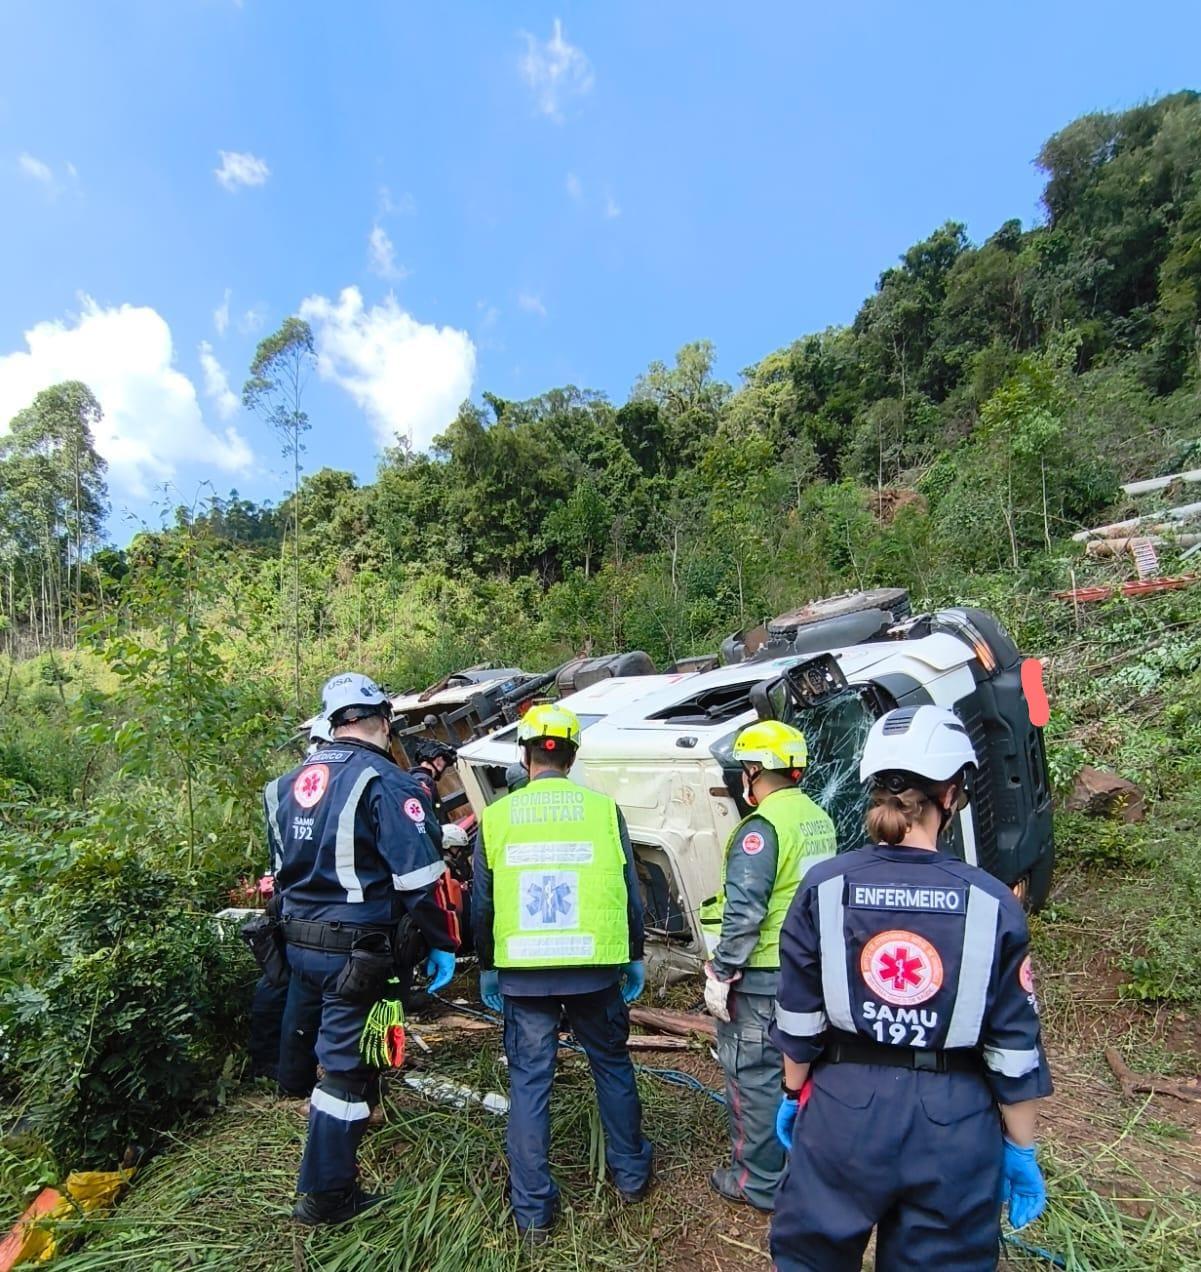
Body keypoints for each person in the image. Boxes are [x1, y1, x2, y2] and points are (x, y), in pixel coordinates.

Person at [770, 705, 1052, 1270]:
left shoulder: (824, 886)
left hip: (842, 1109)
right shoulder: (992, 901)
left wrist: (792, 1093)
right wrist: (1020, 1148)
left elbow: (799, 1017)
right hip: (954, 1123)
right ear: (951, 794)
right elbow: (1013, 1047)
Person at [269, 671, 460, 1225]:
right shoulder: (385, 780)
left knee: (350, 1038)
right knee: (343, 1068)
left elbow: (282, 872)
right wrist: (443, 941)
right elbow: (422, 880)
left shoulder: (287, 783)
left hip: (298, 942)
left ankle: (363, 1108)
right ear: (382, 720)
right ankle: (326, 1196)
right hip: (356, 950)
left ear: (333, 723)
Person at [471, 703, 653, 1244]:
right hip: (594, 968)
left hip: (524, 974)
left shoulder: (497, 817)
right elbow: (629, 891)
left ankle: (532, 1212)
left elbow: (481, 904)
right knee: (612, 1065)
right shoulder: (602, 810)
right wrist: (634, 953)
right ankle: (632, 1175)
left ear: (525, 755)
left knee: (530, 1083)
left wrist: (486, 966)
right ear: (571, 755)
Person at [698, 720, 837, 1213]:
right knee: (802, 1071)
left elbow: (746, 910)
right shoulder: (817, 817)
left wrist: (722, 970)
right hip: (810, 968)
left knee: (754, 1075)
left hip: (763, 976)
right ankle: (806, 1169)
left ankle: (757, 1182)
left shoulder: (762, 829)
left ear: (753, 771)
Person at [410, 739, 458, 819]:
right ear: (438, 761)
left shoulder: (413, 778)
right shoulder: (426, 781)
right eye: (444, 763)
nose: (443, 769)